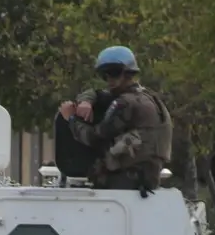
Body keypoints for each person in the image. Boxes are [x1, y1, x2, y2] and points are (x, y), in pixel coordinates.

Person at [58, 46, 172, 195]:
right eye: (105, 75)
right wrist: (86, 101)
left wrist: (71, 119)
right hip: (144, 177)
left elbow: (95, 138)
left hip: (127, 180)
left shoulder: (125, 103)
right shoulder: (147, 96)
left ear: (127, 73)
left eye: (114, 73)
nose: (109, 79)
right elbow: (97, 93)